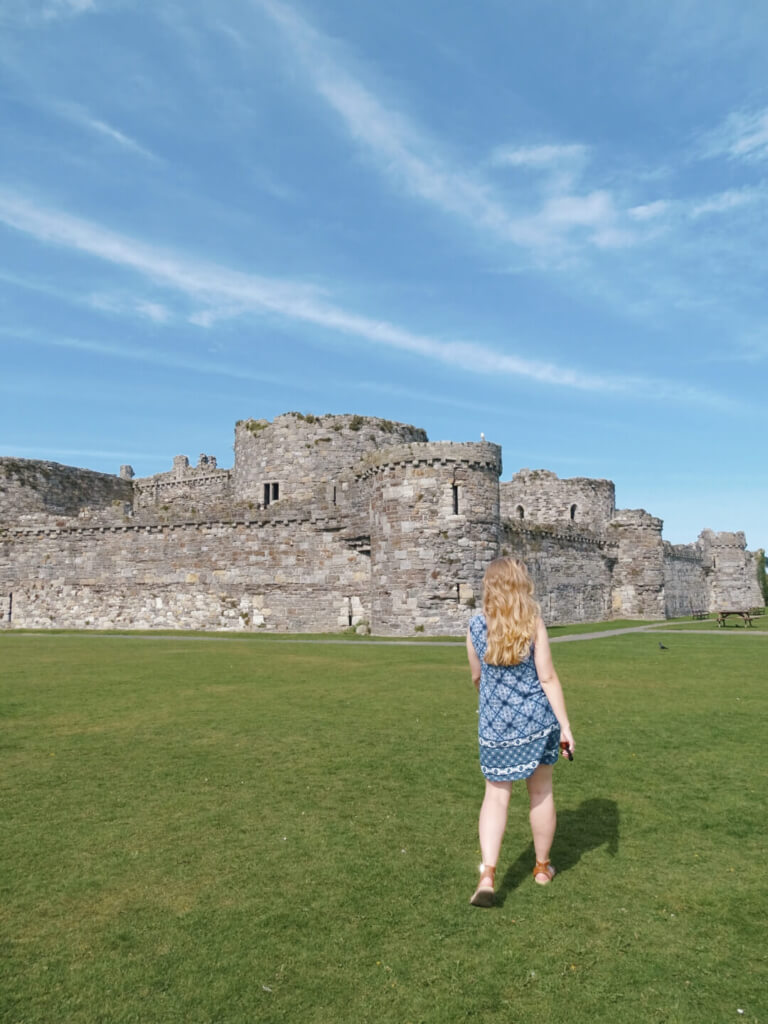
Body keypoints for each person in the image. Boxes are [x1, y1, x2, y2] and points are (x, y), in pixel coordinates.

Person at [466, 557, 574, 907]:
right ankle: (542, 868)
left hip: (496, 725)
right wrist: (565, 726)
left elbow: (477, 677)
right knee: (540, 791)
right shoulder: (533, 624)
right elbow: (547, 677)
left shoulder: (475, 627)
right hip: (536, 722)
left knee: (496, 796)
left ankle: (487, 875)